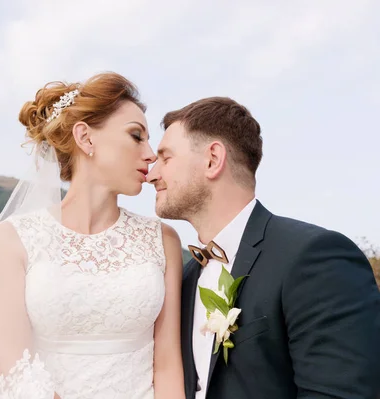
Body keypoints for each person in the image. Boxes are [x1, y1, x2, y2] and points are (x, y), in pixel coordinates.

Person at [0, 72, 186, 399]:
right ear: (86, 138)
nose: (150, 154)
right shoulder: (13, 240)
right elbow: (15, 367)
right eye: (136, 136)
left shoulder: (163, 240)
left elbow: (166, 364)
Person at [147, 96, 380, 398]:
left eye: (166, 158)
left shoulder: (315, 258)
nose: (152, 174)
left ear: (212, 159)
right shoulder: (184, 278)